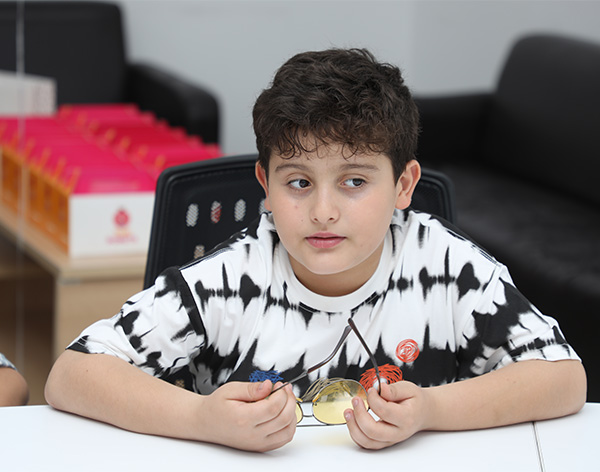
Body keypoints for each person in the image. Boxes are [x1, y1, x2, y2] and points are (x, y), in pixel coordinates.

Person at [45, 48, 586, 452]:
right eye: (299, 183)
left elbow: (563, 377)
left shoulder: (447, 266)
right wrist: (200, 419)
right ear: (266, 184)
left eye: (354, 181)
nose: (323, 211)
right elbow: (71, 374)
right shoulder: (230, 279)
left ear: (403, 186)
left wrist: (432, 409)